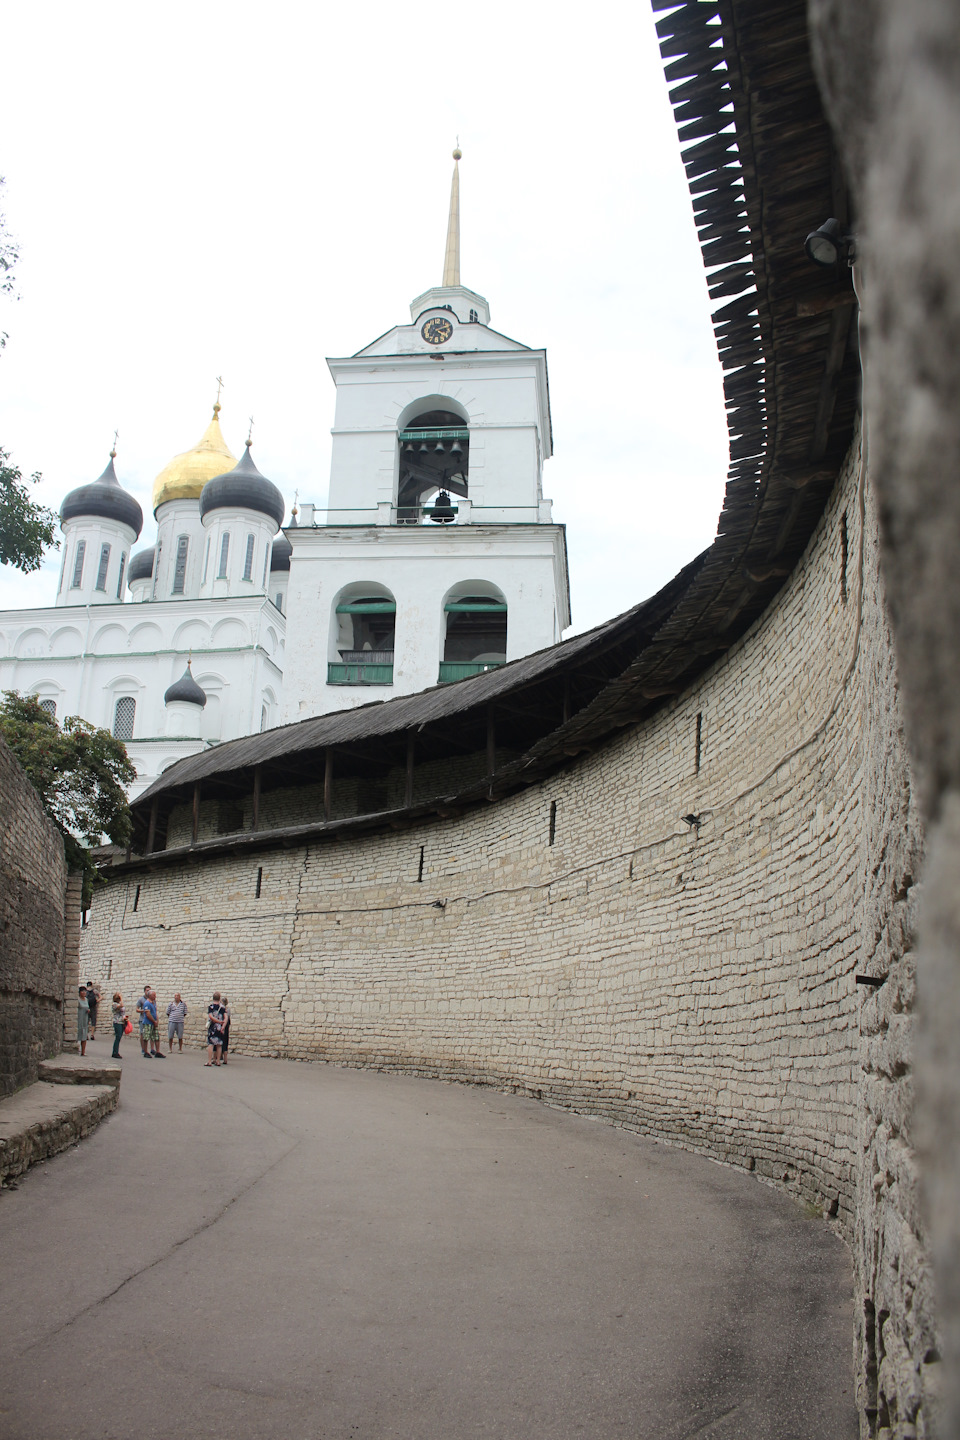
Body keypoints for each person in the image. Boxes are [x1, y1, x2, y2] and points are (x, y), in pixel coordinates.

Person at [205, 991, 225, 1066]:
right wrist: (221, 1024)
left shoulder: (211, 1007)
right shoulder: (222, 1008)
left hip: (213, 1027)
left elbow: (210, 1016)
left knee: (211, 1044)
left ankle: (210, 1061)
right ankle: (218, 1061)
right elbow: (225, 1017)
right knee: (219, 1044)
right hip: (219, 1028)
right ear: (219, 998)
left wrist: (218, 1021)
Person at [147, 990, 165, 1058]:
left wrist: (157, 1020)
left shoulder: (154, 1002)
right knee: (147, 1037)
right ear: (150, 996)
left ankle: (157, 1051)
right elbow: (148, 1014)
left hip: (154, 1021)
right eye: (154, 995)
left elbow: (155, 1012)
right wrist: (153, 1021)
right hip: (149, 1022)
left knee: (156, 1037)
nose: (155, 996)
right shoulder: (147, 1003)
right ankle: (146, 1051)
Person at [111, 992, 126, 1059]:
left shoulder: (118, 1004)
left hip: (122, 1021)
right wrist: (121, 998)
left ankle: (116, 1051)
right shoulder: (114, 1004)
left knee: (119, 1037)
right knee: (118, 1036)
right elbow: (121, 1006)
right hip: (117, 1022)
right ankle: (115, 1052)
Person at [77, 986, 90, 1056]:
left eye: (85, 991)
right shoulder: (78, 1000)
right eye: (82, 991)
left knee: (84, 1035)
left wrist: (88, 1010)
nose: (84, 992)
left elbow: (87, 1007)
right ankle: (76, 1049)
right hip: (79, 1019)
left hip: (85, 1019)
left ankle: (83, 1052)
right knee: (78, 1034)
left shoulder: (86, 1000)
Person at [220, 996, 232, 1064]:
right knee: (225, 1041)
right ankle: (225, 1058)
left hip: (222, 1025)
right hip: (226, 1026)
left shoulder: (222, 1009)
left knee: (220, 1040)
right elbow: (228, 1019)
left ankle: (219, 1056)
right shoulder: (228, 1010)